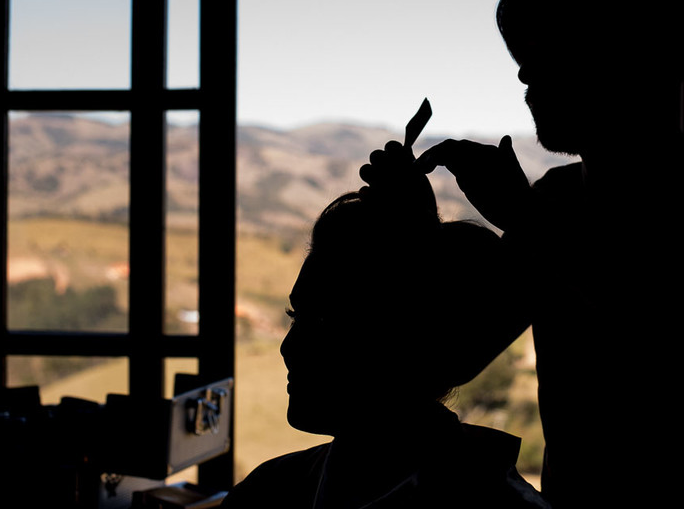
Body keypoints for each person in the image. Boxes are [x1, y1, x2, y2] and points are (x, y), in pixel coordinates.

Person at [361, 0, 684, 507]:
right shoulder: (555, 199)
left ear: (636, 52)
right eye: (522, 59)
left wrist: (523, 219)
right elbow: (447, 358)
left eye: (547, 55)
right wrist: (411, 237)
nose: (525, 80)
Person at [221, 190, 550, 509]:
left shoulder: (272, 492)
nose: (288, 347)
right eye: (295, 318)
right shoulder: (269, 490)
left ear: (410, 339)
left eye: (325, 322)